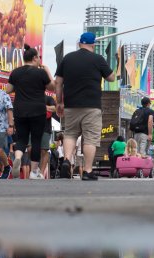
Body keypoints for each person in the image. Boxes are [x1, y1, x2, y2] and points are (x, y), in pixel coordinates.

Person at [55, 32, 117, 181]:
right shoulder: (98, 59)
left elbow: (58, 82)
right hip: (92, 106)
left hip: (71, 104)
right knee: (90, 138)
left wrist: (59, 102)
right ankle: (88, 171)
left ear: (79, 44)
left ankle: (67, 160)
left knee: (70, 133)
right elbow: (111, 77)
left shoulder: (67, 58)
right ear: (93, 45)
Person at [7, 44, 55, 179]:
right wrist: (46, 70)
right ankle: (34, 172)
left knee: (21, 139)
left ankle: (18, 157)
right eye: (39, 58)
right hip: (38, 110)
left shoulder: (15, 72)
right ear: (35, 58)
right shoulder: (40, 73)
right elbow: (53, 87)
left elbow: (9, 89)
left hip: (20, 109)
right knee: (36, 141)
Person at [41, 95, 58, 178]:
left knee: (44, 150)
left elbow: (54, 108)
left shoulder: (48, 98)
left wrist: (43, 107)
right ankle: (35, 169)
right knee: (30, 149)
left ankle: (41, 172)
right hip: (32, 128)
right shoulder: (32, 97)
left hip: (45, 129)